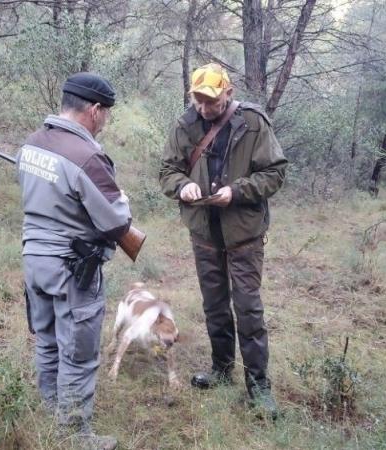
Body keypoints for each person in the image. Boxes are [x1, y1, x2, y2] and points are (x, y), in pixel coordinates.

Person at [159, 63, 287, 418]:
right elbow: (167, 169)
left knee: (248, 309)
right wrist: (182, 186)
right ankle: (220, 369)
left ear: (228, 93)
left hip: (243, 233)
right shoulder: (186, 124)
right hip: (204, 232)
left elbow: (275, 172)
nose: (204, 108)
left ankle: (259, 387)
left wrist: (238, 191)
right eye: (198, 101)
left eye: (211, 101)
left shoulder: (252, 123)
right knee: (214, 305)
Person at [19, 72, 131, 450]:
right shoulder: (88, 156)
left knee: (48, 342)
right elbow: (117, 220)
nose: (105, 122)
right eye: (106, 114)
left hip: (34, 261)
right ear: (95, 110)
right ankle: (73, 437)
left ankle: (49, 418)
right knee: (79, 353)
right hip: (72, 268)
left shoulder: (32, 144)